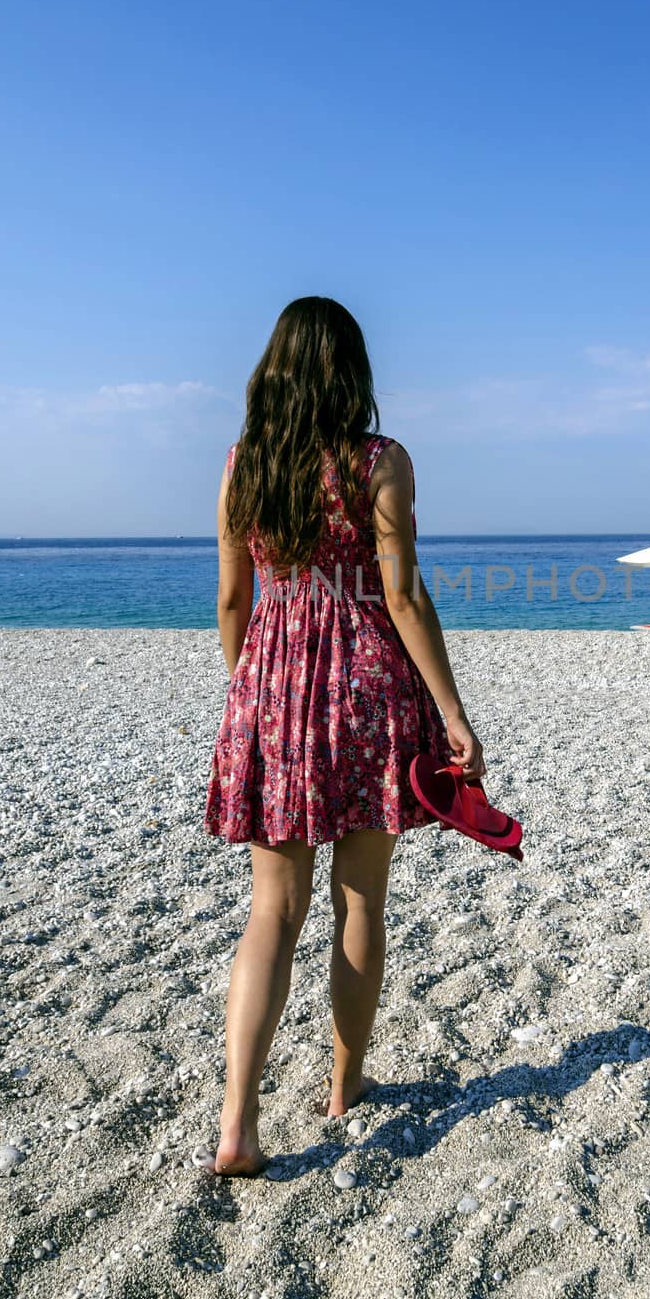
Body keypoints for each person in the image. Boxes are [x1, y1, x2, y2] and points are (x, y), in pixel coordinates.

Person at [203, 296, 484, 1177]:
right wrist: (452, 711)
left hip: (272, 688)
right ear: (351, 369)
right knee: (360, 901)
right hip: (368, 693)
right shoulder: (379, 461)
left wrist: (249, 687)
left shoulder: (244, 463)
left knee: (270, 913)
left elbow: (230, 601)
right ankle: (343, 1085)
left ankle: (238, 1123)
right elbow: (401, 598)